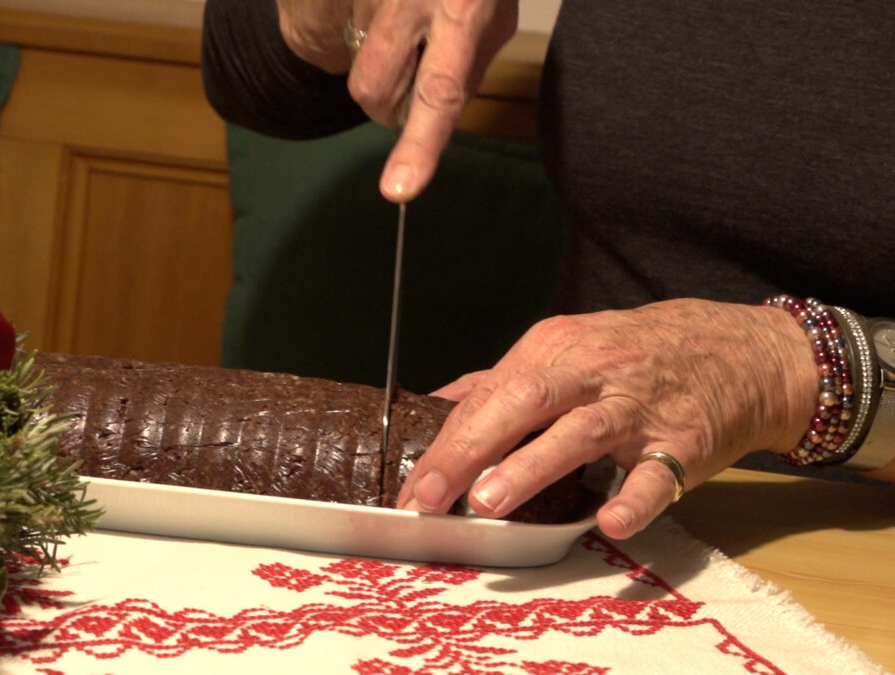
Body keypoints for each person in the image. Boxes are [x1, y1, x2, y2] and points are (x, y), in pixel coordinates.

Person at [201, 0, 895, 539]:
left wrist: (791, 371)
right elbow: (252, 73)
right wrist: (330, 13)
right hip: (570, 535)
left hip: (852, 555)